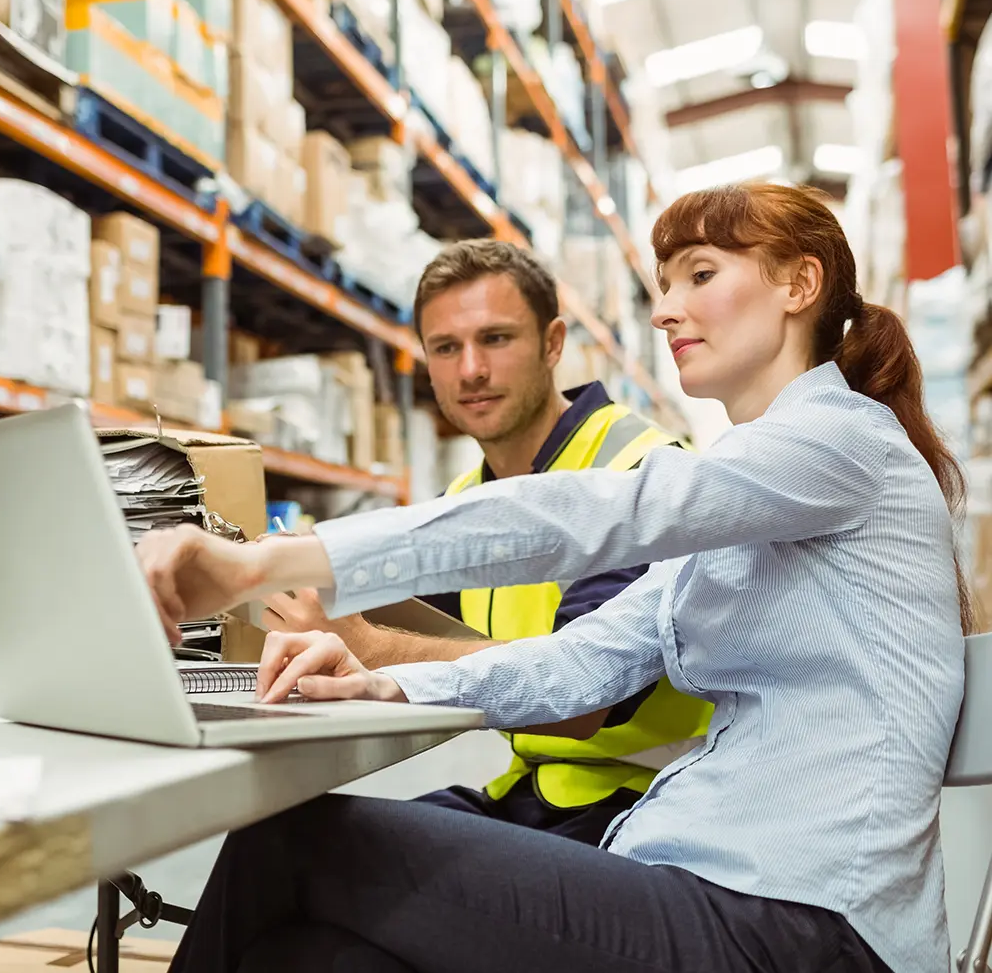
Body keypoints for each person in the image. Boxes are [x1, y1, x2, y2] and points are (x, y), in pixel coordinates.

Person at [141, 183, 969, 973]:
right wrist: (385, 686)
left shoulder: (840, 444)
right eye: (663, 284)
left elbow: (581, 514)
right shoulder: (748, 502)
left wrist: (265, 560)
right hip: (700, 884)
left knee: (288, 841)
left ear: (801, 284)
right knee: (320, 962)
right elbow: (584, 661)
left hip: (806, 926)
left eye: (701, 275)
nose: (664, 309)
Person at [258, 238, 711, 846]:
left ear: (553, 344)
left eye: (495, 339)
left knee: (310, 859)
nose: (470, 369)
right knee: (281, 843)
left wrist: (367, 646)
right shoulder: (467, 497)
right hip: (534, 791)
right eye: (446, 348)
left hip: (644, 808)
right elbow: (403, 620)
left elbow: (581, 704)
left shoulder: (640, 473)